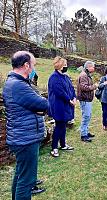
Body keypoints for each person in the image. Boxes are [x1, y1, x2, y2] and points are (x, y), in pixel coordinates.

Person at [3, 51, 48, 200]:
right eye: (33, 65)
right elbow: (41, 103)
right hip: (25, 139)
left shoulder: (14, 82)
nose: (34, 68)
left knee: (20, 174)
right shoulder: (18, 85)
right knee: (26, 181)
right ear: (26, 65)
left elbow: (31, 104)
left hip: (21, 137)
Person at [48, 56, 76, 157]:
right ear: (59, 65)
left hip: (67, 105)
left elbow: (71, 89)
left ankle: (63, 145)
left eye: (66, 65)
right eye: (64, 65)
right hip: (58, 106)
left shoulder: (66, 77)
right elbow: (59, 92)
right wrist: (69, 100)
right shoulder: (54, 77)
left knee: (63, 125)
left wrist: (74, 98)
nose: (66, 67)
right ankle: (54, 148)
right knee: (59, 126)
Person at [77, 61, 99, 142]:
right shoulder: (83, 75)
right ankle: (83, 135)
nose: (93, 68)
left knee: (88, 116)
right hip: (85, 99)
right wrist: (94, 86)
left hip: (87, 99)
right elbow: (84, 87)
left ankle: (86, 132)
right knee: (86, 116)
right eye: (92, 67)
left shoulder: (86, 75)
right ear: (88, 67)